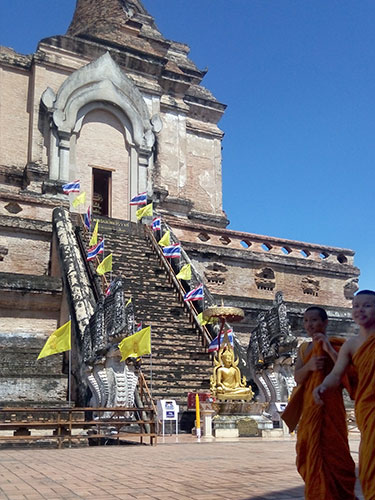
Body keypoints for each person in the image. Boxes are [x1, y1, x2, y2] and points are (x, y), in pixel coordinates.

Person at [282, 306, 356, 499]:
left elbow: (349, 373)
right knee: (308, 455)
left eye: (314, 320)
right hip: (310, 410)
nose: (309, 325)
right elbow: (298, 377)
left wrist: (328, 349)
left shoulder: (339, 345)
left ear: (325, 323)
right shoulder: (304, 348)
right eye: (306, 321)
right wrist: (310, 366)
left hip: (331, 409)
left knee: (338, 460)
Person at [314, 290, 375, 500]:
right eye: (356, 306)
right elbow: (336, 374)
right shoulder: (351, 344)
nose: (360, 310)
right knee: (369, 458)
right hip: (368, 408)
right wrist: (322, 387)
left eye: (367, 305)